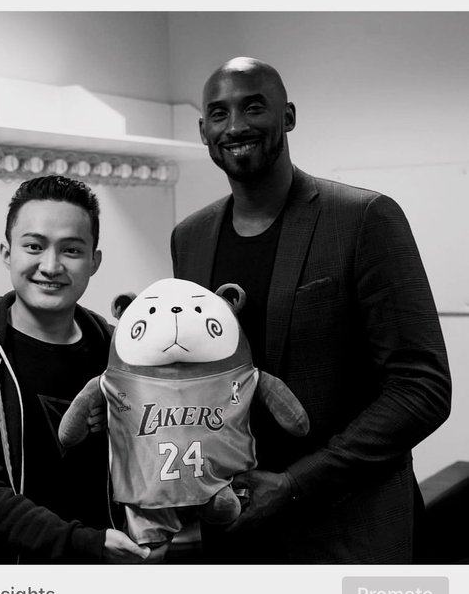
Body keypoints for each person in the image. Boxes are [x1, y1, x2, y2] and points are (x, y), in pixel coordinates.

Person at [171, 57, 452, 563]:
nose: (235, 126)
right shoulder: (190, 238)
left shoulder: (363, 218)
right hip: (235, 535)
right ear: (203, 130)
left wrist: (297, 484)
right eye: (219, 113)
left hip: (349, 531)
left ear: (288, 116)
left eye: (253, 107)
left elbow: (422, 387)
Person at [0, 175, 150, 564]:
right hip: (7, 581)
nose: (51, 266)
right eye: (34, 246)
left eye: (71, 250)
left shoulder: (121, 352)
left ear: (94, 261)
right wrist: (85, 543)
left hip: (110, 572)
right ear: (7, 253)